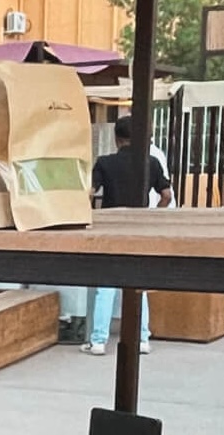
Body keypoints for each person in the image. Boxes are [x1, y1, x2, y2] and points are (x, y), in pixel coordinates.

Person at [83, 115, 173, 357]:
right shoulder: (151, 162)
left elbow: (89, 192)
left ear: (117, 138)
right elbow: (166, 195)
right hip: (140, 228)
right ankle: (142, 338)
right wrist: (155, 216)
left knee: (106, 285)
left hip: (111, 229)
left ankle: (99, 341)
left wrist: (90, 216)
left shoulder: (104, 162)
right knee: (137, 286)